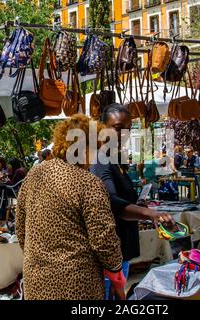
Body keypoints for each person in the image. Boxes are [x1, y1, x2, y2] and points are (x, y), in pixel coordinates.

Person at [16, 114, 125, 300]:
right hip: (76, 283)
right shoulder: (88, 183)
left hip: (36, 278)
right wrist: (117, 277)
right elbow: (104, 239)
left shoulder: (35, 173)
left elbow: (20, 228)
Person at [90, 103, 174, 298]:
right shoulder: (100, 161)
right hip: (110, 254)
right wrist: (150, 214)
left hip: (121, 250)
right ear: (102, 128)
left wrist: (139, 205)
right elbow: (110, 202)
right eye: (118, 128)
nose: (124, 134)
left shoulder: (114, 160)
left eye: (128, 129)